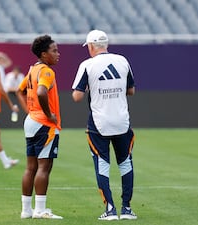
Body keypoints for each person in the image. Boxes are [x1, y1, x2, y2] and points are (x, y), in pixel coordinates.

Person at [71, 30, 137, 221]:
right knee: (125, 164)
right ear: (106, 44)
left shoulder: (87, 64)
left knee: (102, 165)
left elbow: (77, 96)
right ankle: (126, 209)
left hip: (99, 123)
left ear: (91, 46)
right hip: (122, 121)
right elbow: (131, 91)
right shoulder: (122, 61)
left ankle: (110, 210)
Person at [16, 35, 62, 219]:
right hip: (44, 123)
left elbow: (20, 90)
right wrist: (49, 114)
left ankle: (26, 210)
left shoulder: (32, 70)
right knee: (45, 166)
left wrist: (29, 109)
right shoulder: (46, 71)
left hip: (31, 121)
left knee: (30, 167)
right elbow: (42, 92)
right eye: (54, 51)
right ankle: (40, 210)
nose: (58, 54)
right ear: (44, 54)